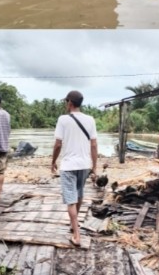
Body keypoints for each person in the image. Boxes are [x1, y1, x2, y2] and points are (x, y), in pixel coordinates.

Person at [51, 90, 99, 248]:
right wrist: (95, 166)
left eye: (66, 101)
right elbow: (93, 144)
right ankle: (74, 224)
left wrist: (53, 161)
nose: (66, 104)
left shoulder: (63, 120)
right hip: (84, 165)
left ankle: (77, 236)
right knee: (78, 195)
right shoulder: (90, 119)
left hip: (69, 165)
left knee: (71, 200)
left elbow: (58, 144)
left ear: (70, 103)